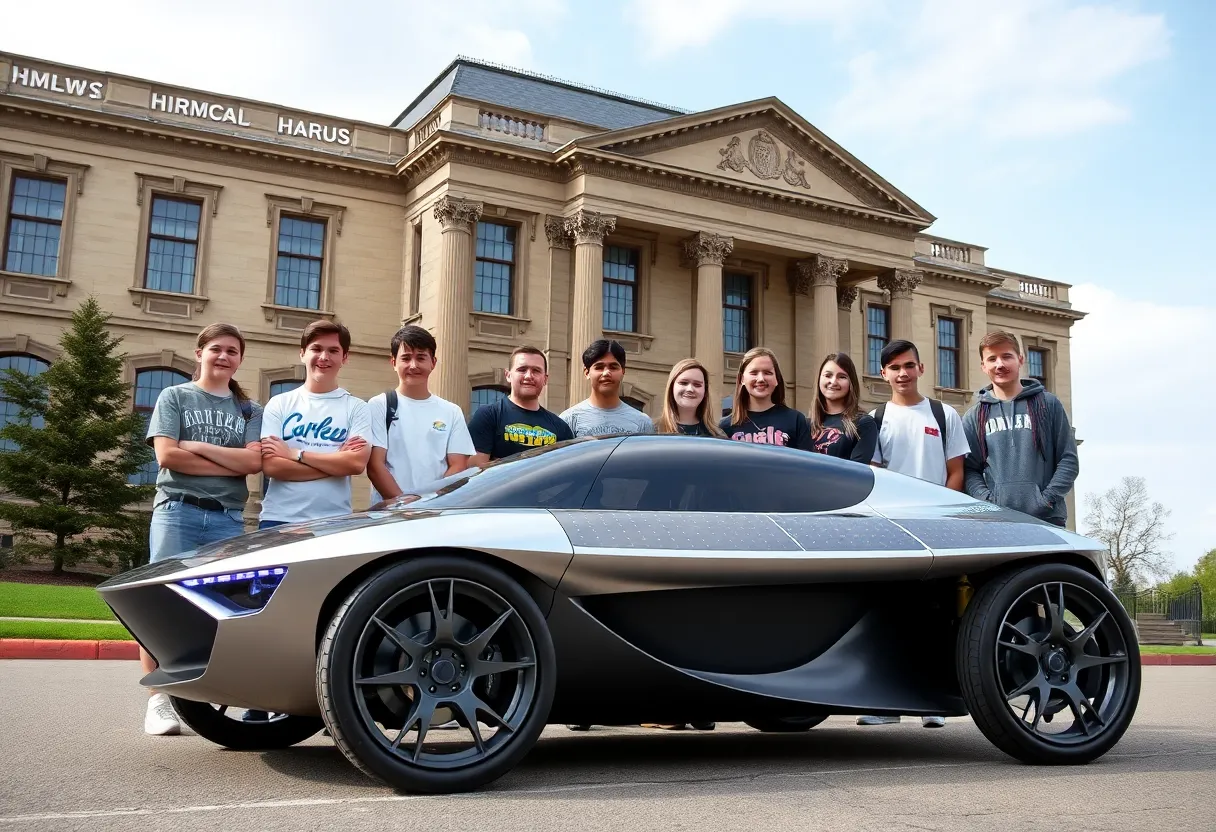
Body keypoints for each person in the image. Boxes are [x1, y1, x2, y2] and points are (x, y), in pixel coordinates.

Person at [141, 323, 264, 736]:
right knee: (160, 606)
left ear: (239, 360)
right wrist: (223, 459)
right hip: (177, 512)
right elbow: (167, 457)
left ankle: (200, 694)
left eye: (232, 351)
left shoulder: (249, 410)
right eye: (216, 349)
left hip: (227, 518)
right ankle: (159, 702)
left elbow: (251, 465)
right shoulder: (174, 396)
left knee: (221, 608)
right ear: (200, 354)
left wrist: (195, 447)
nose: (223, 356)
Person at [860, 338, 970, 729]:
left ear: (921, 369)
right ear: (883, 374)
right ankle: (885, 705)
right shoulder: (875, 418)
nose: (902, 373)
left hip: (937, 529)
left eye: (909, 366)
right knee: (890, 615)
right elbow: (874, 476)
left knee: (934, 616)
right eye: (894, 368)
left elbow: (956, 472)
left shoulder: (944, 415)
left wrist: (941, 514)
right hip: (892, 531)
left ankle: (930, 702)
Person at [259, 321, 372, 529]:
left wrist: (296, 454)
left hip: (333, 522)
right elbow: (272, 466)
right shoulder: (279, 403)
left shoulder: (357, 408)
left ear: (344, 357)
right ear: (302, 353)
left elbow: (355, 464)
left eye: (333, 350)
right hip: (279, 519)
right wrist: (336, 463)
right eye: (316, 349)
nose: (324, 357)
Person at [962, 331, 1079, 527]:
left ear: (1020, 359)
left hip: (1047, 520)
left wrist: (1047, 499)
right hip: (998, 523)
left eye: (1007, 356)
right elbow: (969, 469)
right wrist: (988, 502)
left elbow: (1068, 459)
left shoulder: (1048, 404)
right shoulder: (975, 416)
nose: (1000, 364)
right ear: (983, 366)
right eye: (992, 359)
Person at [366, 325, 474, 505]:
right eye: (406, 358)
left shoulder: (451, 411)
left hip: (434, 513)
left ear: (433, 362)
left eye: (421, 358)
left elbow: (458, 465)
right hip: (388, 515)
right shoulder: (379, 405)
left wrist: (430, 503)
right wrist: (403, 505)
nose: (413, 365)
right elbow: (375, 465)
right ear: (393, 363)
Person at [468, 346, 573, 466]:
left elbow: (564, 472)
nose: (528, 376)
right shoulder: (488, 416)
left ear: (545, 379)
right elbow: (475, 472)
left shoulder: (561, 428)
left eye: (536, 371)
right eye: (522, 369)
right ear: (508, 375)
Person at [719, 347, 812, 450]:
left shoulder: (796, 420)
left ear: (777, 379)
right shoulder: (725, 427)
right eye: (754, 373)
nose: (761, 379)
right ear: (742, 379)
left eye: (767, 373)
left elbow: (806, 463)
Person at [560, 339, 654, 437]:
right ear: (587, 372)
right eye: (599, 367)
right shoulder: (568, 420)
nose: (606, 373)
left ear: (623, 372)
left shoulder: (643, 423)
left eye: (613, 367)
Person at [808, 352, 877, 463]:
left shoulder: (863, 424)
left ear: (851, 383)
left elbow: (856, 472)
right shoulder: (805, 425)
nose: (833, 382)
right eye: (828, 375)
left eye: (842, 377)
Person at [653, 358, 726, 438]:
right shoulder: (652, 431)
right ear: (671, 387)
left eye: (697, 384)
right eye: (683, 383)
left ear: (705, 391)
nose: (690, 389)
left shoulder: (718, 436)